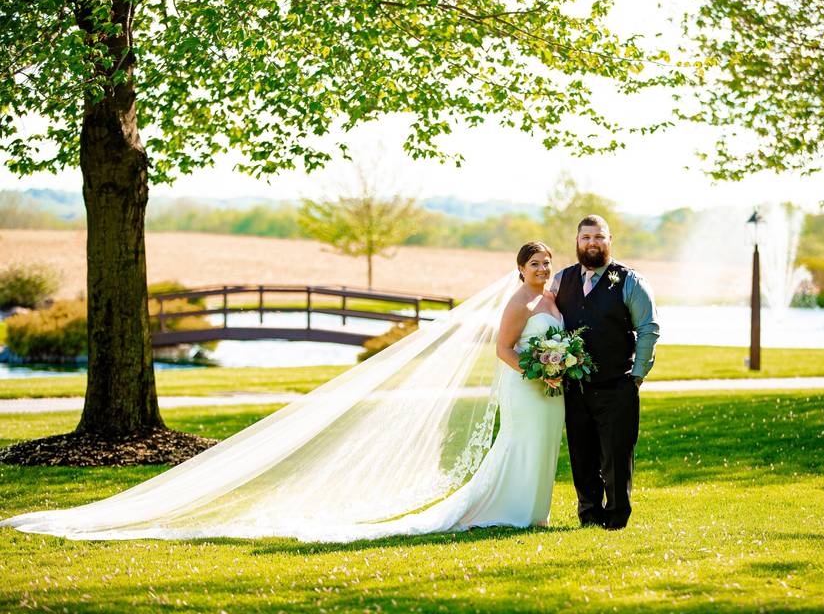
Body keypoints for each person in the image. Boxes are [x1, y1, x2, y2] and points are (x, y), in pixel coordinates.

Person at [1, 242, 568, 541]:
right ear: (518, 269)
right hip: (526, 387)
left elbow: (559, 338)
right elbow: (502, 349)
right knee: (517, 445)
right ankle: (508, 509)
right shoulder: (519, 302)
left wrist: (561, 367)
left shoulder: (553, 301)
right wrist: (536, 372)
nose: (542, 270)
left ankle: (532, 512)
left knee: (542, 448)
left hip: (550, 390)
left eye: (546, 263)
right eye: (534, 264)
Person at [551, 214, 659, 530]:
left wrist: (636, 376)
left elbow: (648, 330)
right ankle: (588, 515)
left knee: (616, 456)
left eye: (599, 237)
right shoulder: (560, 281)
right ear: (577, 242)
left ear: (609, 240)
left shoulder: (631, 282)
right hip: (575, 388)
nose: (592, 243)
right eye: (586, 237)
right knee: (581, 454)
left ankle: (616, 517)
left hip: (617, 385)